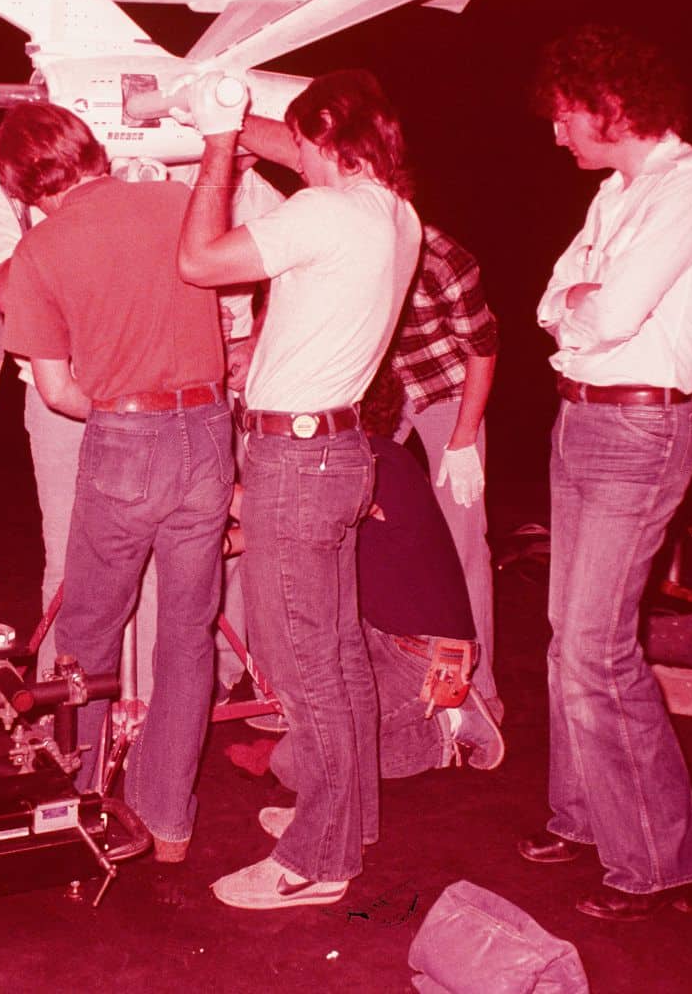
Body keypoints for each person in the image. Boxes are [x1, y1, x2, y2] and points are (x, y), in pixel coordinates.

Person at [177, 69, 421, 909]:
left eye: (301, 139)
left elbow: (199, 262)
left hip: (296, 464)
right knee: (339, 657)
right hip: (338, 448)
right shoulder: (389, 209)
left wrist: (216, 144)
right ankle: (344, 818)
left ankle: (318, 864)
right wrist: (240, 118)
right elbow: (308, 150)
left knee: (304, 667)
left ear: (323, 139)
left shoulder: (320, 212)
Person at [522, 24, 692, 921]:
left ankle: (662, 863)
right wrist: (574, 306)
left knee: (594, 647)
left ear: (611, 106)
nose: (555, 132)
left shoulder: (691, 190)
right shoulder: (622, 190)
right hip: (580, 417)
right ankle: (584, 817)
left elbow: (605, 315)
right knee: (563, 637)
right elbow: (549, 297)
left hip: (637, 432)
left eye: (566, 115)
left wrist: (576, 305)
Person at [0, 103, 233, 864]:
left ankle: (82, 803)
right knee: (187, 635)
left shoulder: (38, 250)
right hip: (208, 431)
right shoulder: (176, 203)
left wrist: (119, 406)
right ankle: (168, 821)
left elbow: (58, 392)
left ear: (17, 182)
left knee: (88, 635)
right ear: (91, 150)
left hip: (124, 437)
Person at [260, 365, 504, 790]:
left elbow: (294, 513)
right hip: (384, 643)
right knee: (312, 724)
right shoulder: (372, 463)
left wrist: (217, 492)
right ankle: (443, 724)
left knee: (297, 761)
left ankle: (443, 731)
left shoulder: (378, 466)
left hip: (426, 660)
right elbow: (286, 520)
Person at [389, 224, 502, 715]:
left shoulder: (442, 257)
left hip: (449, 393)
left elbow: (482, 347)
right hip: (378, 394)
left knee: (462, 541)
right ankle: (387, 676)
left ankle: (479, 693)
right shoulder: (346, 232)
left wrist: (464, 438)